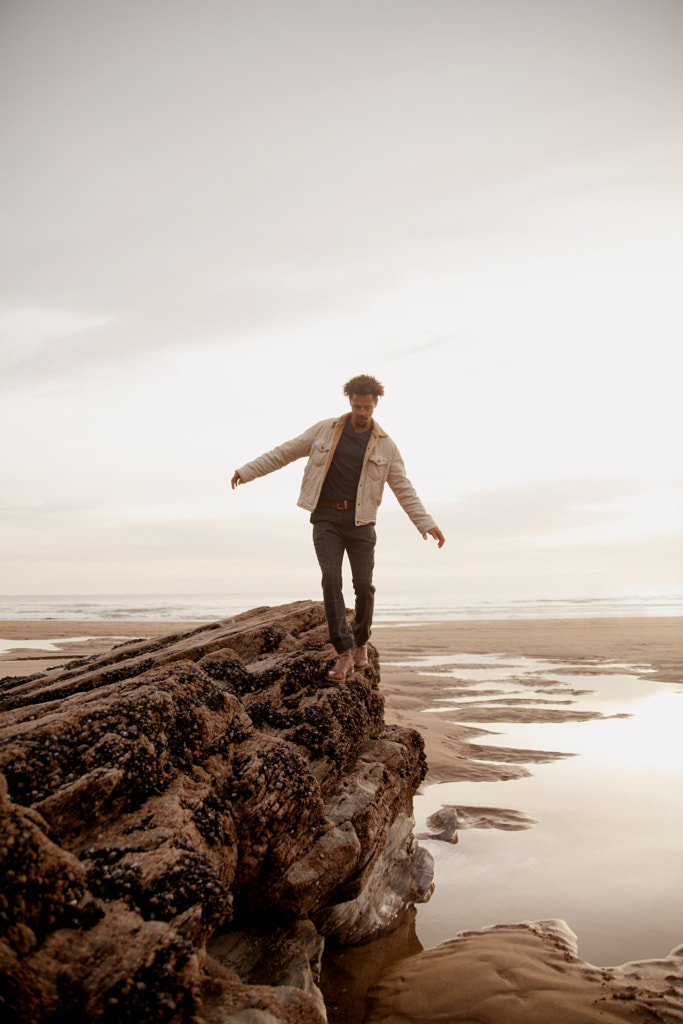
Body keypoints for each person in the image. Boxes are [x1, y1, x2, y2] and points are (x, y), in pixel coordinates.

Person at [231, 374, 445, 682]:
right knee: (331, 578)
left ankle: (361, 643)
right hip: (326, 519)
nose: (362, 413)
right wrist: (247, 471)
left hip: (361, 524)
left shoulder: (387, 447)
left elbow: (403, 488)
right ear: (350, 402)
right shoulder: (326, 430)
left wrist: (426, 523)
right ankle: (344, 653)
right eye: (357, 406)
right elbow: (285, 451)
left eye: (367, 408)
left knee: (364, 586)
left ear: (375, 405)